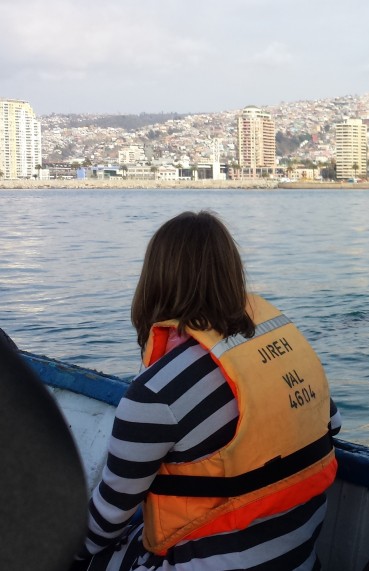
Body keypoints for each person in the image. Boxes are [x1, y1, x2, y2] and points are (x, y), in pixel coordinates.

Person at [74, 211, 342, 571]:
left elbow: (106, 521)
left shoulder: (155, 395)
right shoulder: (279, 350)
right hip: (298, 558)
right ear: (231, 272)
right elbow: (333, 424)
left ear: (154, 282)